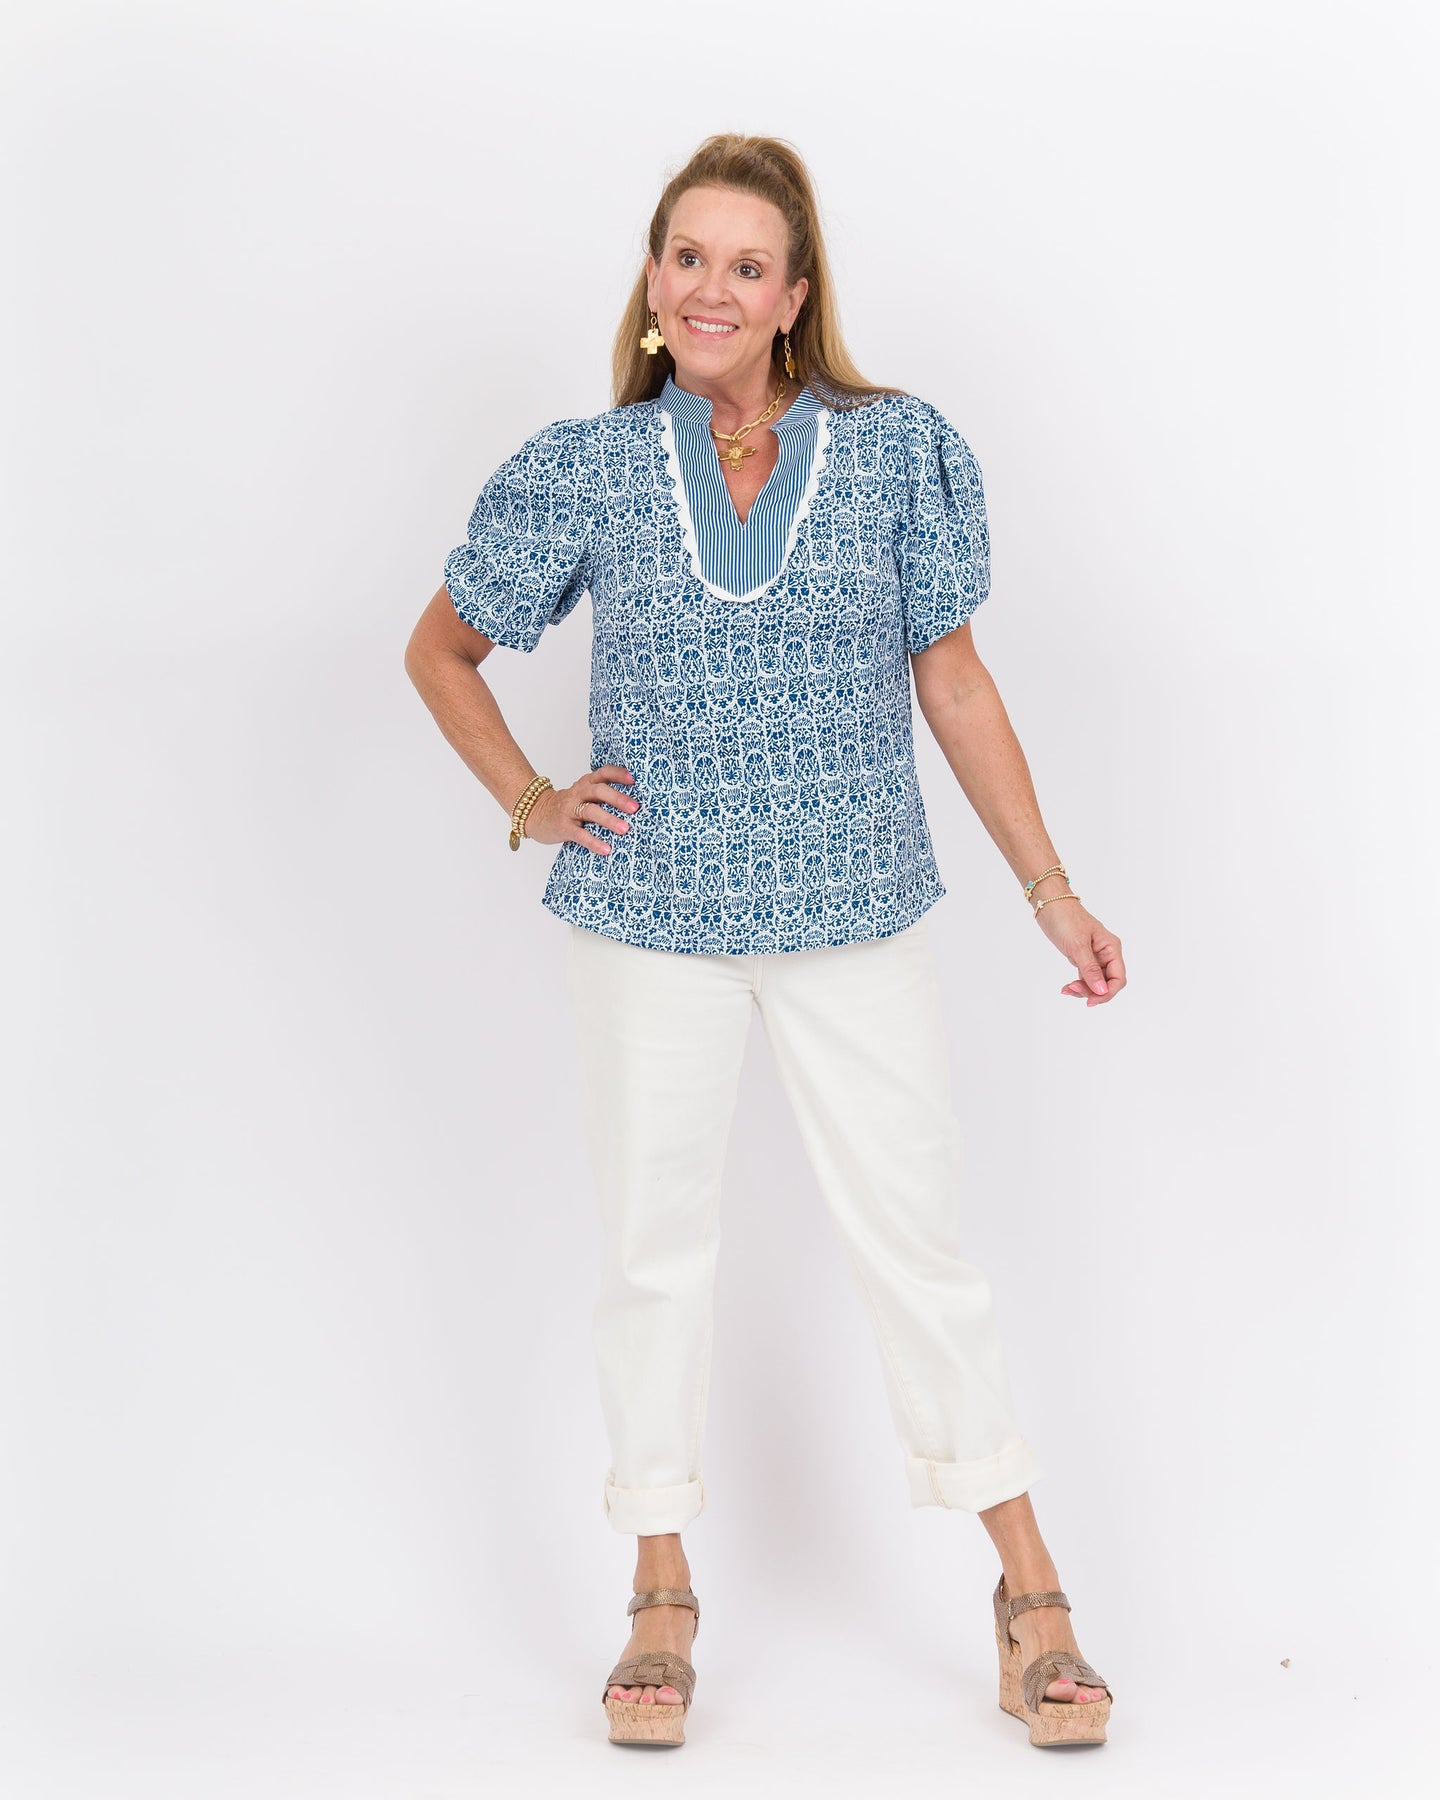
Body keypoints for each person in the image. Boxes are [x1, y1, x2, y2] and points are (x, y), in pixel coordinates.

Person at [405, 133, 1125, 1752]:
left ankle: (1029, 1590)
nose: (712, 287)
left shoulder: (896, 453)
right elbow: (440, 650)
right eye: (688, 257)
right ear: (654, 284)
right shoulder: (586, 470)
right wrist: (530, 799)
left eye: (747, 263)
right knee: (654, 1248)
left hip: (852, 906)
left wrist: (1052, 890)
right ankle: (660, 1591)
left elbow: (953, 683)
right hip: (647, 915)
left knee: (917, 1241)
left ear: (796, 295)